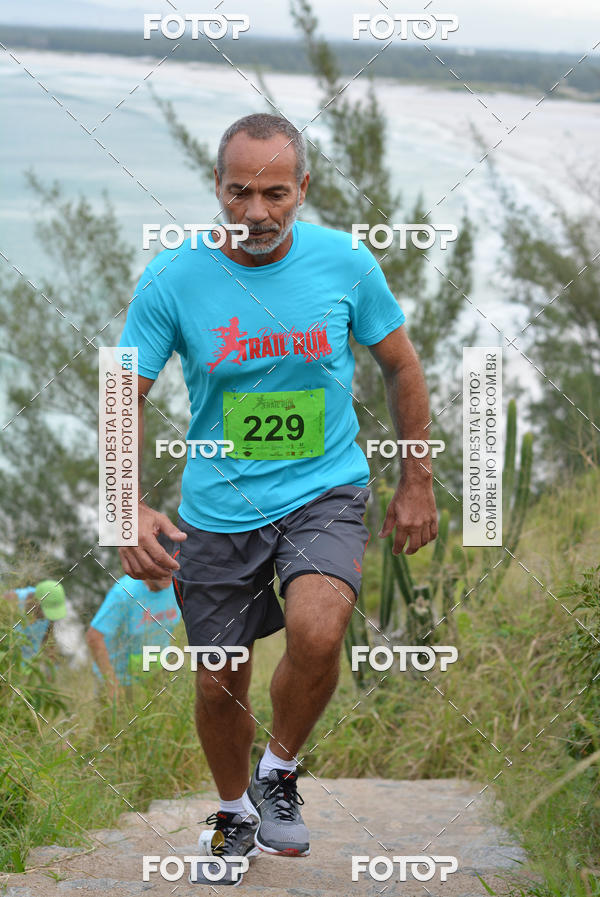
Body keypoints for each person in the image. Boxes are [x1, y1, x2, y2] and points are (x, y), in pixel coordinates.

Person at [117, 113, 438, 884]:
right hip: (220, 509)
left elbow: (400, 363)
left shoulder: (345, 263)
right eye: (238, 192)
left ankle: (280, 770)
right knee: (218, 677)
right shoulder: (174, 276)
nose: (256, 212)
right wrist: (121, 501)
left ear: (304, 189)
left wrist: (417, 477)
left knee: (320, 628)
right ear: (217, 187)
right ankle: (232, 814)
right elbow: (120, 389)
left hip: (322, 487)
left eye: (274, 192)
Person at [86, 560, 180, 700]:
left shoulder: (178, 586)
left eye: (172, 565)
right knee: (119, 721)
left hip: (155, 672)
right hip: (121, 679)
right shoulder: (124, 593)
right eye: (160, 565)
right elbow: (94, 636)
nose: (167, 573)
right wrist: (112, 683)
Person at [3, 580, 67, 663]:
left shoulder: (49, 610)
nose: (46, 618)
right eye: (46, 612)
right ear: (36, 601)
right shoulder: (11, 601)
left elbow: (49, 640)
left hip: (26, 665)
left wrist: (51, 668)